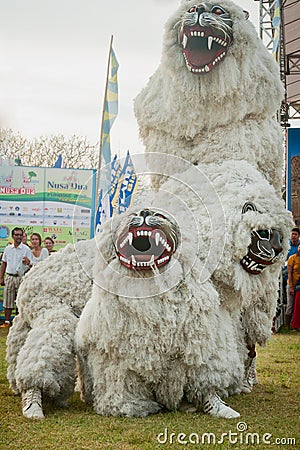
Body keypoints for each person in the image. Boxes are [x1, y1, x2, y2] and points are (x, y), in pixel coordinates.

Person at [0, 227, 32, 328]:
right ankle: (7, 321)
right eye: (16, 235)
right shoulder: (7, 249)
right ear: (13, 236)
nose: (19, 237)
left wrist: (28, 263)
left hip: (21, 278)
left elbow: (30, 265)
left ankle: (19, 322)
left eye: (20, 235)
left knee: (21, 301)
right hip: (9, 277)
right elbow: (4, 264)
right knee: (8, 301)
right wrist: (1, 277)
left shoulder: (26, 249)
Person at [286, 243, 300, 329]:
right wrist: (291, 287)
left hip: (299, 286)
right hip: (292, 284)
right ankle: (287, 326)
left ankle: (295, 324)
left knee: (297, 306)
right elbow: (289, 273)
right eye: (299, 247)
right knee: (290, 306)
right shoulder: (292, 258)